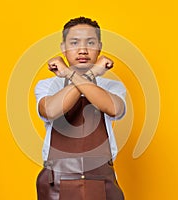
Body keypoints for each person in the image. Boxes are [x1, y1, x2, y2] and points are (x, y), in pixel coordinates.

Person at [35, 16, 126, 200]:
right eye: (74, 42)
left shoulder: (111, 87)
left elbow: (115, 109)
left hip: (102, 181)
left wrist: (70, 73)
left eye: (90, 43)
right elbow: (51, 111)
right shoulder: (47, 85)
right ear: (63, 48)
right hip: (56, 183)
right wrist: (91, 74)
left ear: (99, 46)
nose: (83, 50)